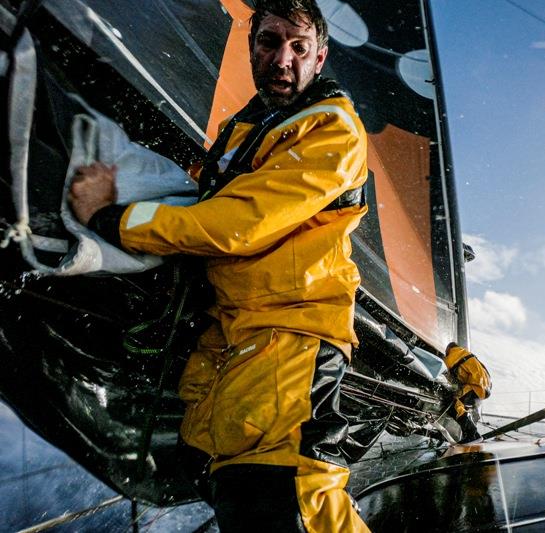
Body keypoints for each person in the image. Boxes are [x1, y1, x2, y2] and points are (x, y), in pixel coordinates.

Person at [68, 1, 370, 530]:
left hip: (290, 330)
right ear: (250, 48)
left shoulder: (332, 129)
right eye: (269, 42)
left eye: (298, 47)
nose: (282, 58)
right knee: (231, 488)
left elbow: (238, 222)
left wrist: (112, 218)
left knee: (284, 495)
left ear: (319, 58)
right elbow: (214, 189)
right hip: (233, 336)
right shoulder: (247, 126)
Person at [444, 343, 492, 444]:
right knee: (460, 404)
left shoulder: (453, 355)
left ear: (449, 349)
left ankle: (470, 434)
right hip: (485, 387)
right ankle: (476, 436)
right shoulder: (464, 353)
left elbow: (443, 371)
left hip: (477, 385)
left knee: (452, 404)